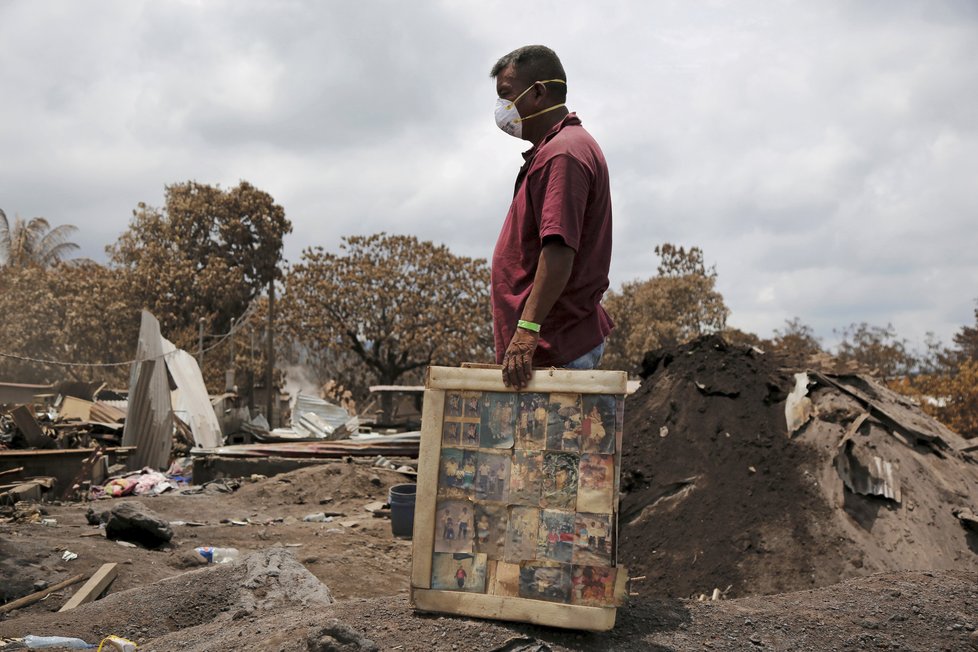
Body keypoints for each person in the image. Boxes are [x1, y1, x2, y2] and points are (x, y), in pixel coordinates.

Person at [489, 45, 614, 389]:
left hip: (556, 350)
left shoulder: (563, 154)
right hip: (550, 350)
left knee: (550, 445)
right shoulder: (557, 149)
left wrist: (527, 330)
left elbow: (558, 250)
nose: (501, 109)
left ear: (539, 92)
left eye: (506, 95)